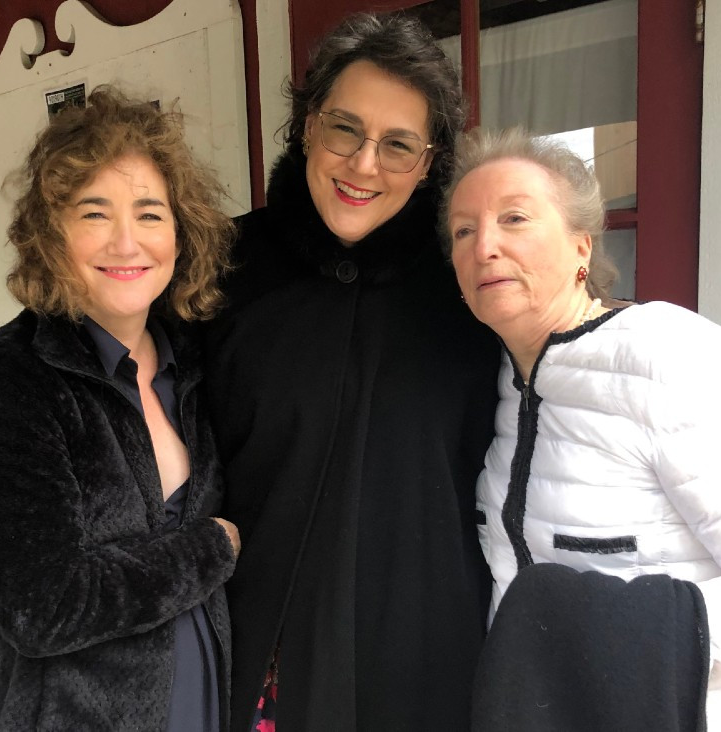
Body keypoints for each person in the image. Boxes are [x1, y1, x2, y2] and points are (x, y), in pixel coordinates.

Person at [443, 126, 721, 730]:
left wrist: (625, 644)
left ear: (582, 246)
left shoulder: (675, 361)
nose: (485, 247)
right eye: (464, 230)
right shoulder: (492, 381)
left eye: (515, 218)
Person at [202, 12, 500, 731]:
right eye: (344, 128)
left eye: (398, 144)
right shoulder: (222, 270)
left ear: (430, 162)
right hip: (260, 651)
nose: (364, 164)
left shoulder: (468, 288)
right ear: (307, 124)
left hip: (425, 659)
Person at [0, 87, 241, 732]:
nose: (127, 242)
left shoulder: (194, 358)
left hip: (202, 694)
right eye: (94, 213)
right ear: (51, 234)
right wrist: (213, 547)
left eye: (150, 213)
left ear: (181, 231)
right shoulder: (8, 381)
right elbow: (43, 608)